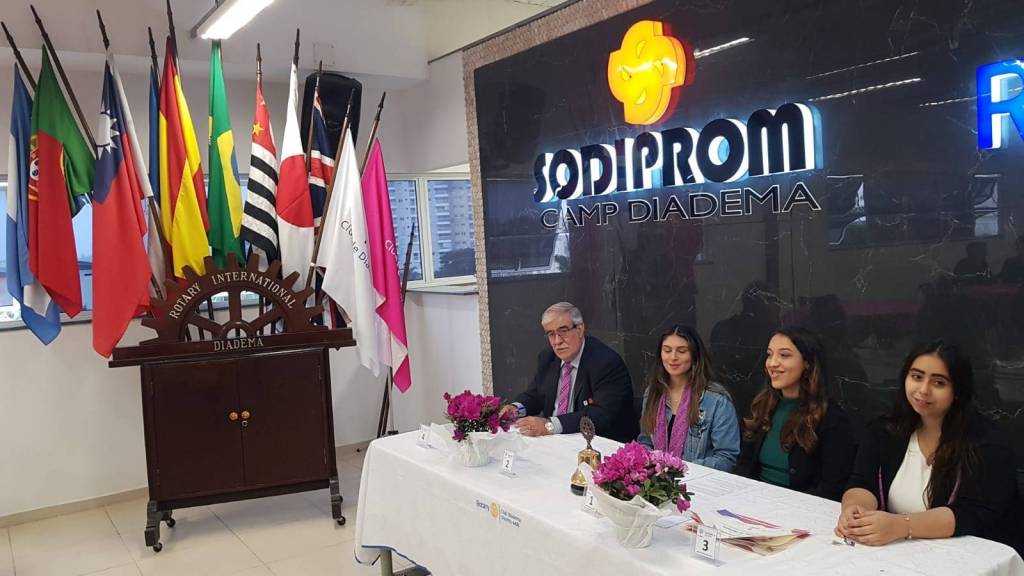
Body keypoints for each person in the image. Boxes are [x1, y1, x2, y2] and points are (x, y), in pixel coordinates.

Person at [835, 341, 1020, 551]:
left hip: (963, 554)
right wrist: (854, 511)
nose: (923, 390)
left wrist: (901, 526)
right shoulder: (884, 430)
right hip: (893, 551)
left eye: (939, 383)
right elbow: (862, 481)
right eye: (916, 377)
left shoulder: (987, 442)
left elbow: (975, 513)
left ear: (957, 390)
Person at [735, 327, 855, 501]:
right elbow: (744, 465)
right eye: (769, 354)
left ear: (807, 363)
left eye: (784, 355)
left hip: (801, 508)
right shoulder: (762, 405)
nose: (772, 363)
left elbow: (831, 487)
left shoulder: (832, 418)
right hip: (754, 502)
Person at [506, 302, 636, 442]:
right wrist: (515, 409)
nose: (557, 341)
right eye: (551, 334)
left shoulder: (605, 362)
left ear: (579, 329)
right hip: (554, 440)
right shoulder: (548, 358)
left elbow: (601, 415)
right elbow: (535, 395)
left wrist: (549, 425)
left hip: (596, 442)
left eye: (563, 331)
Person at [637, 325, 740, 471]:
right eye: (667, 350)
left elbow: (726, 457)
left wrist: (679, 470)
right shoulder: (653, 393)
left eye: (682, 351)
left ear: (694, 354)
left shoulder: (717, 400)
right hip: (656, 480)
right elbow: (646, 441)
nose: (673, 357)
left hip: (698, 481)